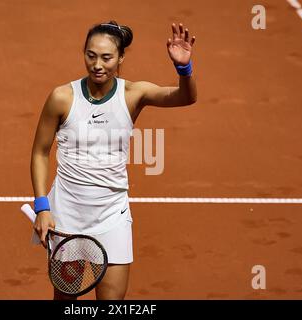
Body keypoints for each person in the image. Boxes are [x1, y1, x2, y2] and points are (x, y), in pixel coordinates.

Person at [31, 20, 197, 300]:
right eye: (91, 55)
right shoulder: (62, 97)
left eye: (107, 58)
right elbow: (39, 152)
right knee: (65, 301)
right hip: (66, 214)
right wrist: (42, 207)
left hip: (112, 215)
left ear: (121, 58)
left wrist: (183, 68)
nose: (97, 64)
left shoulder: (133, 94)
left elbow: (185, 97)